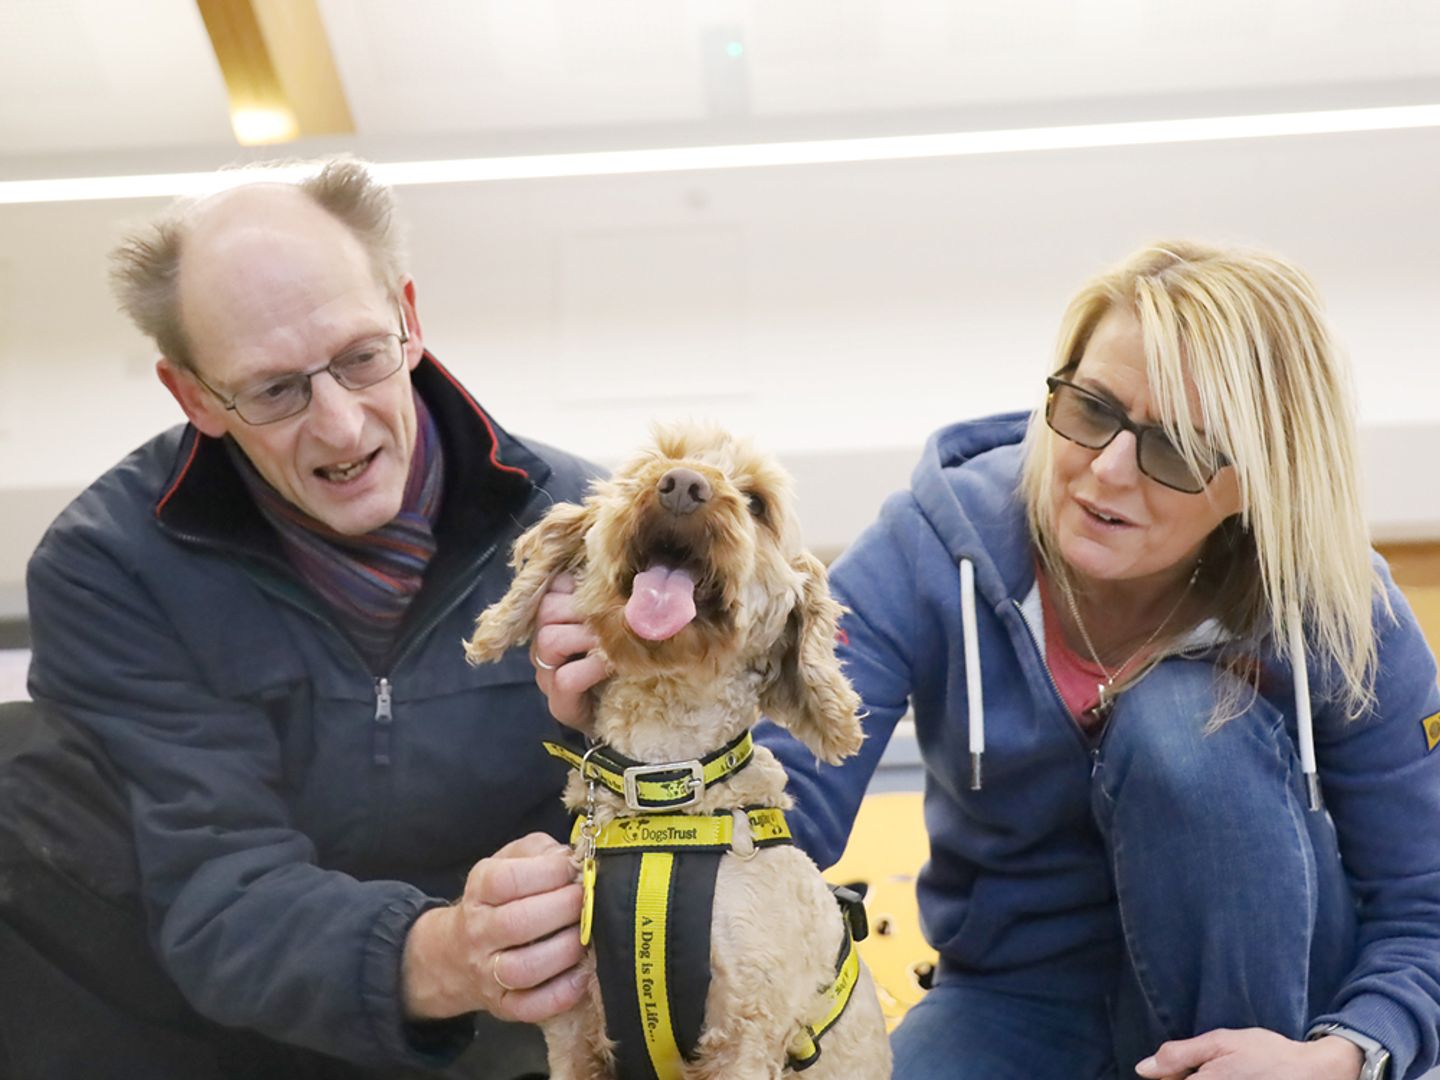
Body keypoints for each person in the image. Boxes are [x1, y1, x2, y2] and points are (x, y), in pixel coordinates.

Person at [535, 241, 1440, 1079]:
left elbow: (1428, 904)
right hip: (1014, 998)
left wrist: (1347, 1054)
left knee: (1182, 726)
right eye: (1090, 409)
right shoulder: (929, 547)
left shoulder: (1336, 609)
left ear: (1262, 478)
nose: (1108, 470)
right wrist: (651, 726)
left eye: (1176, 450)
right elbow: (785, 809)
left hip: (1269, 1017)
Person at [3, 158, 600, 1078]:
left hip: (534, 1034)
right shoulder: (112, 568)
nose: (342, 428)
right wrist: (443, 954)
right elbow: (217, 883)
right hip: (241, 1037)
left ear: (408, 318)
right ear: (195, 395)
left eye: (362, 358)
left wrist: (619, 729)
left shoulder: (587, 528)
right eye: (275, 390)